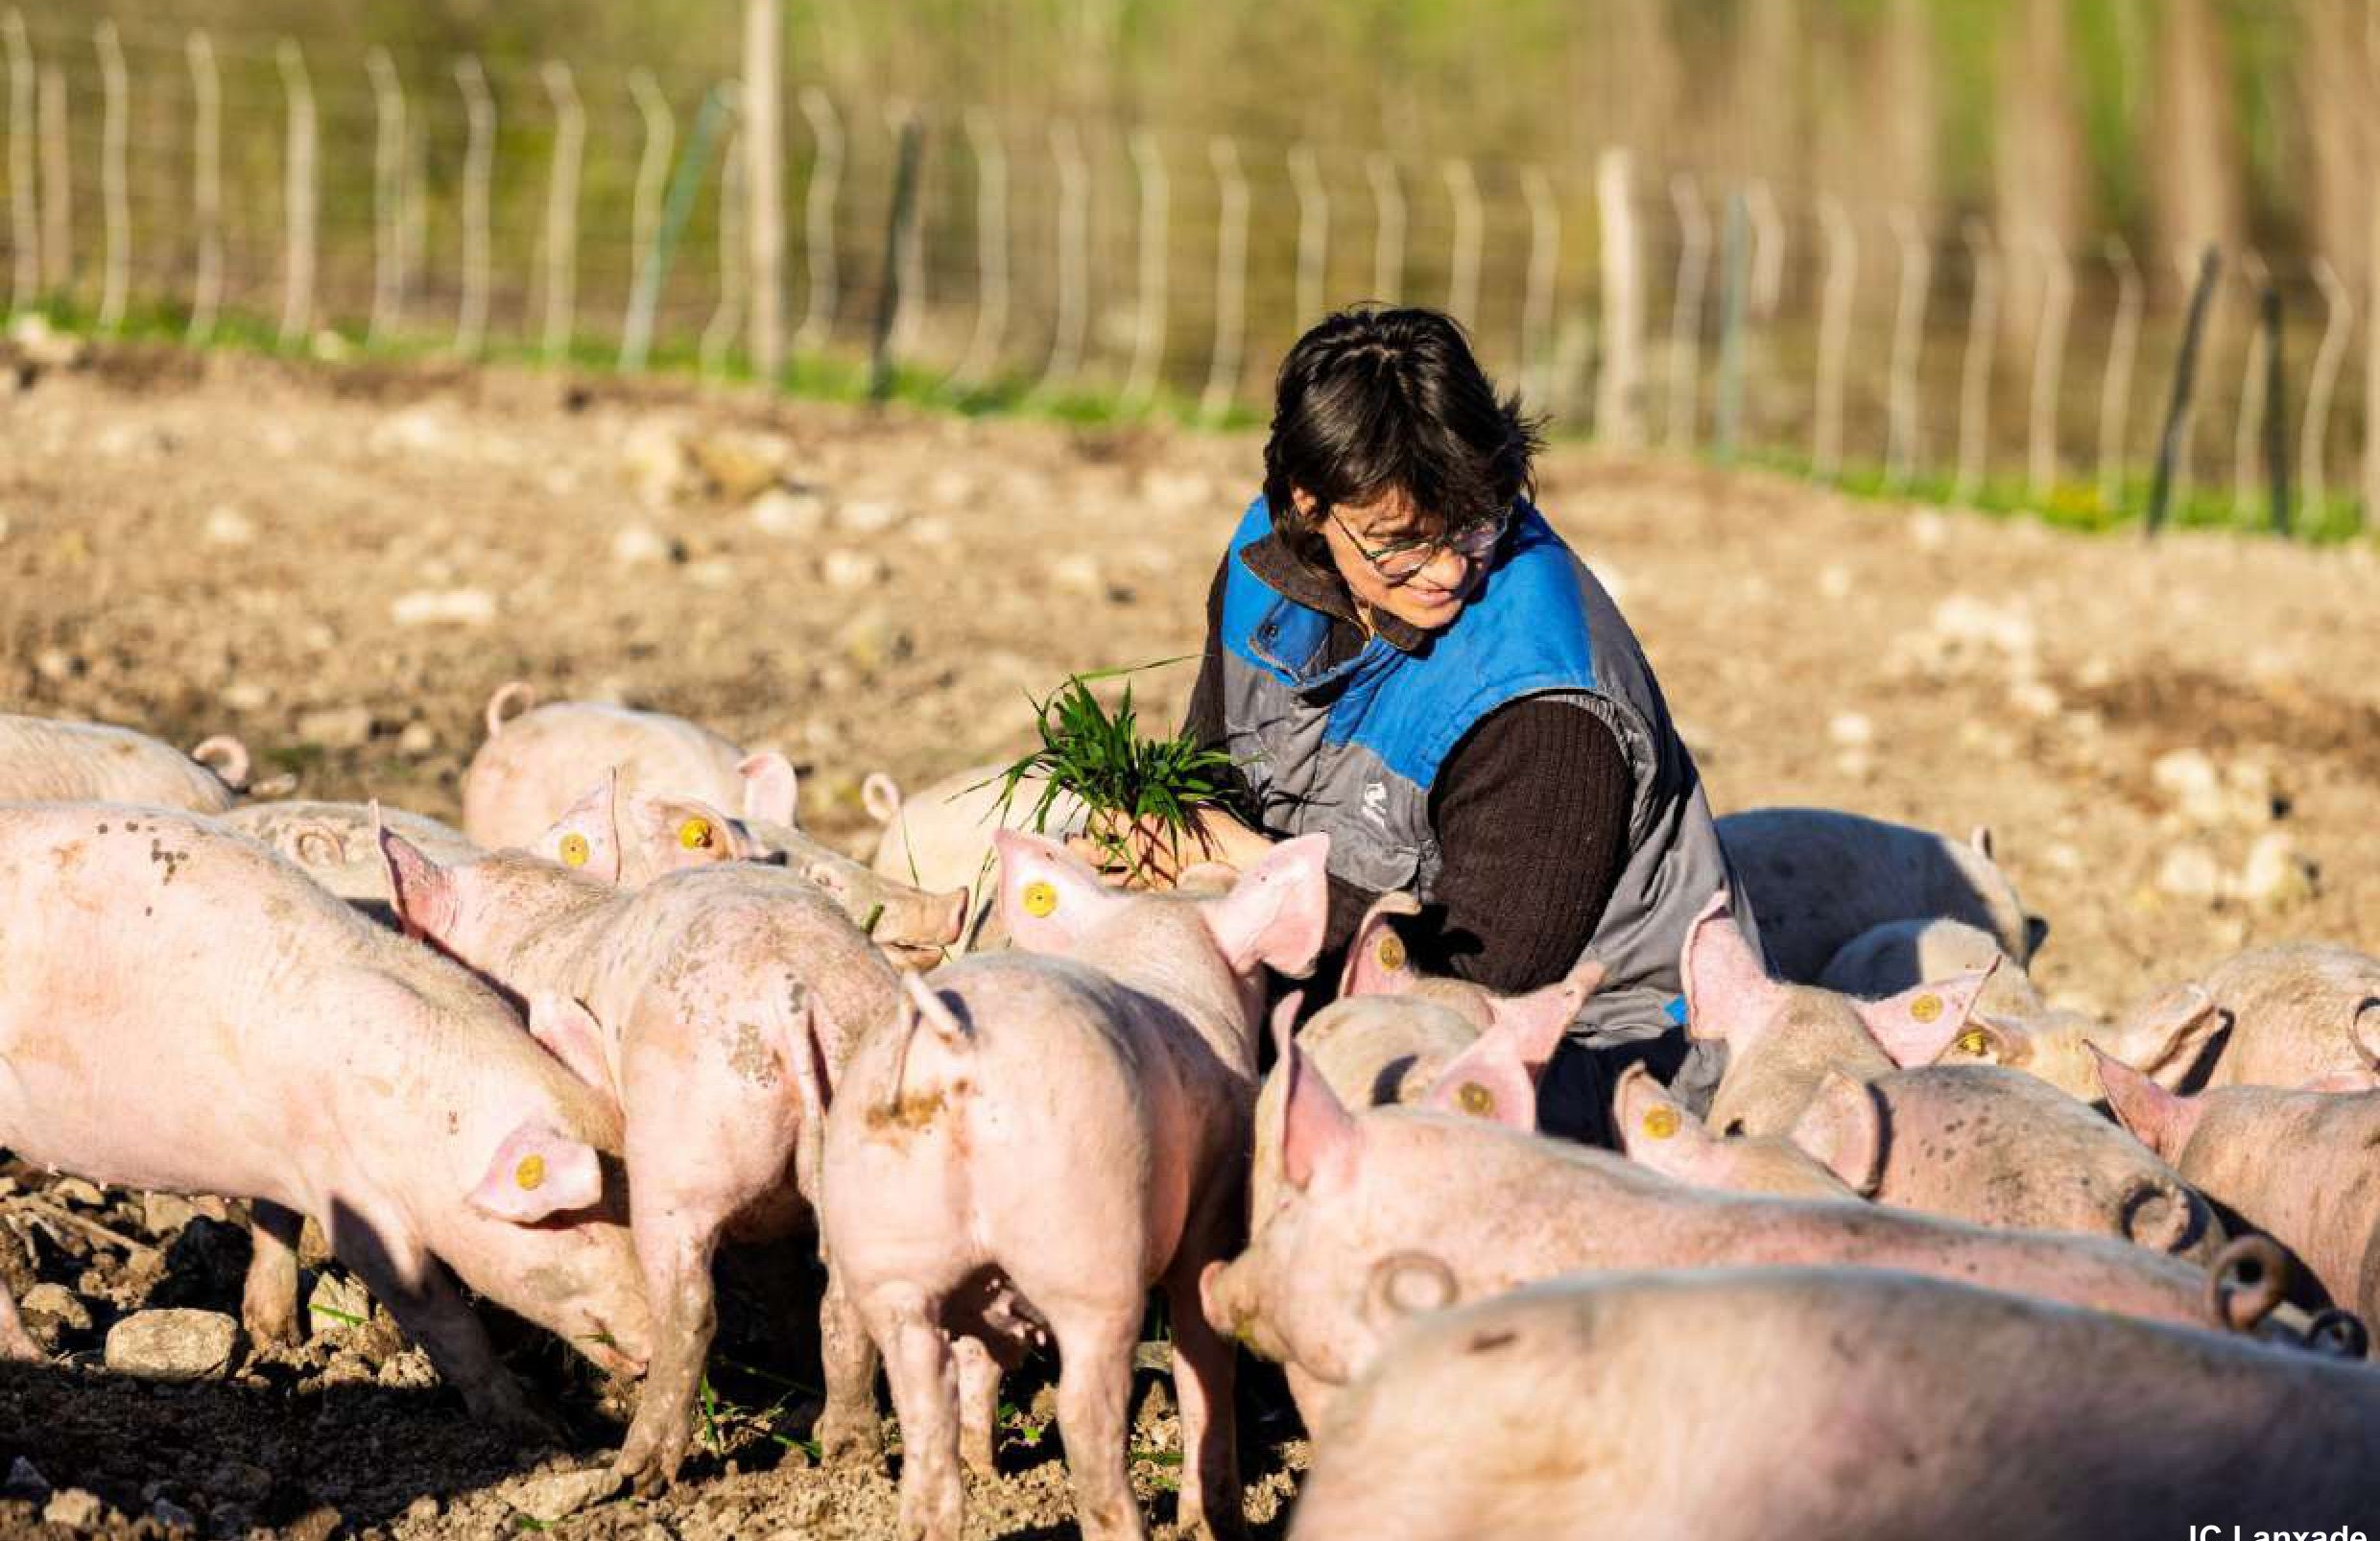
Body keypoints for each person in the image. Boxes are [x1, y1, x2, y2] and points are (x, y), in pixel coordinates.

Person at [1091, 305, 1758, 1142]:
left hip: (1593, 1055)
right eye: (1399, 542)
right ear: (1309, 503)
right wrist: (1158, 842)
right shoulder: (1264, 562)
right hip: (1350, 972)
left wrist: (1251, 869)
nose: (1447, 570)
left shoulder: (1548, 714)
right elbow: (1211, 777)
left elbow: (1464, 994)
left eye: (1477, 522)